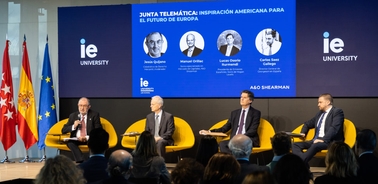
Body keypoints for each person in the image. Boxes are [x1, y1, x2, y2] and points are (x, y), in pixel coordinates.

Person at [292, 93, 345, 166]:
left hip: (330, 141)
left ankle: (299, 164)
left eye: (320, 102)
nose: (318, 105)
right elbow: (307, 123)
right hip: (316, 140)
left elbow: (334, 128)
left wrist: (324, 139)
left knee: (315, 145)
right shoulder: (319, 114)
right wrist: (303, 133)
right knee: (295, 145)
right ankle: (303, 164)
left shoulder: (337, 112)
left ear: (328, 102)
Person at [61, 97, 102, 163]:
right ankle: (81, 160)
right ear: (78, 106)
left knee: (94, 142)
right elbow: (64, 130)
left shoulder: (94, 115)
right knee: (70, 143)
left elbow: (98, 129)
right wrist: (73, 126)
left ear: (89, 107)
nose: (82, 108)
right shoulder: (73, 115)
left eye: (84, 106)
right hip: (76, 139)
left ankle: (91, 161)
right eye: (80, 105)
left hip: (89, 138)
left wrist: (86, 137)